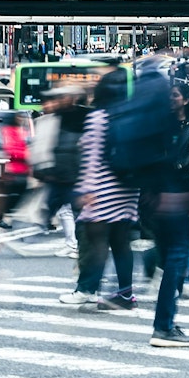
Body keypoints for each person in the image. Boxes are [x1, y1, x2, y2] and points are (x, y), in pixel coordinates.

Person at [60, 69, 139, 311]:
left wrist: (84, 190)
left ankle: (86, 289)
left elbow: (92, 160)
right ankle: (126, 294)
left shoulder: (98, 117)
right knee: (121, 244)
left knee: (95, 244)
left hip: (101, 190)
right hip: (127, 190)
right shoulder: (131, 115)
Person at [141, 77, 189, 348]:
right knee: (175, 262)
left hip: (171, 198)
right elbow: (165, 164)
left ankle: (166, 321)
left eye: (176, 95)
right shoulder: (162, 127)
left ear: (186, 100)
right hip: (174, 198)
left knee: (173, 263)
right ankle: (163, 326)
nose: (172, 99)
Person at [30, 86, 88, 259]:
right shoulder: (56, 118)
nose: (55, 102)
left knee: (72, 212)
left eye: (60, 98)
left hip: (72, 175)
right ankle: (74, 244)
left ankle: (77, 246)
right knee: (58, 208)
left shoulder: (77, 117)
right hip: (61, 174)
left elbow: (72, 149)